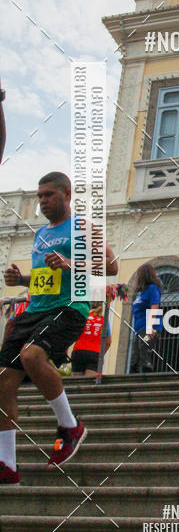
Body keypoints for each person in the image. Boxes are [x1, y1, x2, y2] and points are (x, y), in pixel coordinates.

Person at [0, 172, 118, 484]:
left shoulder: (82, 226)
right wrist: (21, 280)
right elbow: (44, 275)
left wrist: (72, 262)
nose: (42, 201)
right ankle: (7, 464)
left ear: (66, 194)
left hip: (69, 308)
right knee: (3, 381)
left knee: (32, 357)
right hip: (35, 308)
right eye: (39, 196)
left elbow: (111, 265)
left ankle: (70, 426)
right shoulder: (40, 235)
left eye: (48, 195)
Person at [129, 263, 162, 374]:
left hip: (149, 327)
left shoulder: (153, 289)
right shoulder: (140, 293)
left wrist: (150, 327)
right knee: (134, 358)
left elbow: (154, 307)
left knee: (144, 355)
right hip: (139, 329)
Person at [71, 301, 111, 376]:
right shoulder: (104, 320)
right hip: (95, 352)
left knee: (76, 382)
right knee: (88, 383)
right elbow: (108, 342)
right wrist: (101, 353)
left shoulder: (82, 316)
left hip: (78, 350)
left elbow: (73, 333)